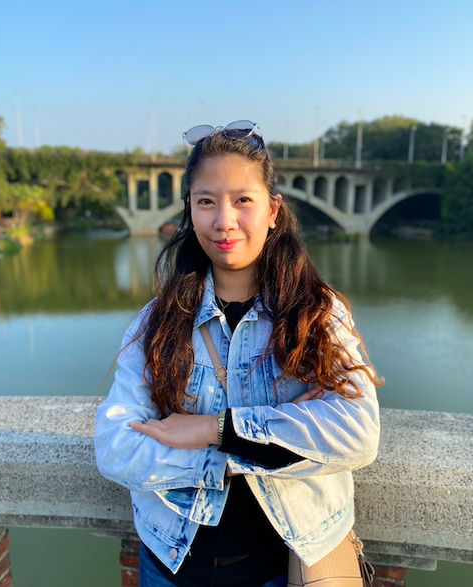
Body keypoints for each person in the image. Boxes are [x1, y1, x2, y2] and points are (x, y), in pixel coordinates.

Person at [94, 121, 382, 587]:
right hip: (170, 563)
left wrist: (211, 429)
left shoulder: (316, 314)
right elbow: (115, 446)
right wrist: (244, 451)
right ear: (190, 210)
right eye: (206, 201)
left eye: (243, 200)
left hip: (277, 568)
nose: (224, 221)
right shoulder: (157, 321)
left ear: (273, 210)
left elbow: (358, 433)